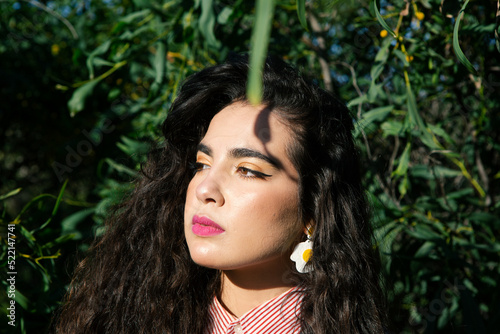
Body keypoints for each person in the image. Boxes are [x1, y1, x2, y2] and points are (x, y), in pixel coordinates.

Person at [53, 54, 388, 333]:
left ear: (313, 209)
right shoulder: (135, 318)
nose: (205, 189)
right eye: (201, 164)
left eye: (248, 170)